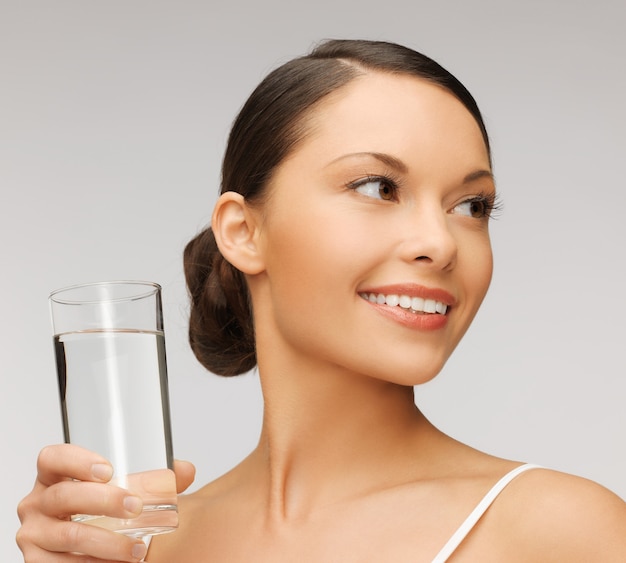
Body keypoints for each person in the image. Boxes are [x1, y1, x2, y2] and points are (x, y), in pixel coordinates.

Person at [16, 39, 626, 562]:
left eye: (473, 207)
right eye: (378, 187)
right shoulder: (145, 544)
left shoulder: (559, 532)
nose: (440, 244)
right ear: (243, 231)